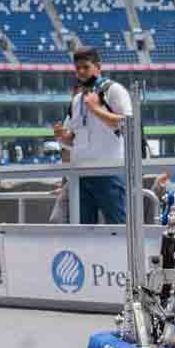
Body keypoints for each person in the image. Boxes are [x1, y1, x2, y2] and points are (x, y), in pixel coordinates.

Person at [53, 46, 129, 224]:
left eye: (86, 67)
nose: (81, 72)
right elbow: (75, 138)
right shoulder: (77, 100)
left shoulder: (114, 90)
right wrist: (63, 137)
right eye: (77, 68)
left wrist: (95, 109)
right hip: (81, 174)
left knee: (118, 228)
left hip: (109, 172)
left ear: (98, 67)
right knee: (84, 232)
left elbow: (127, 125)